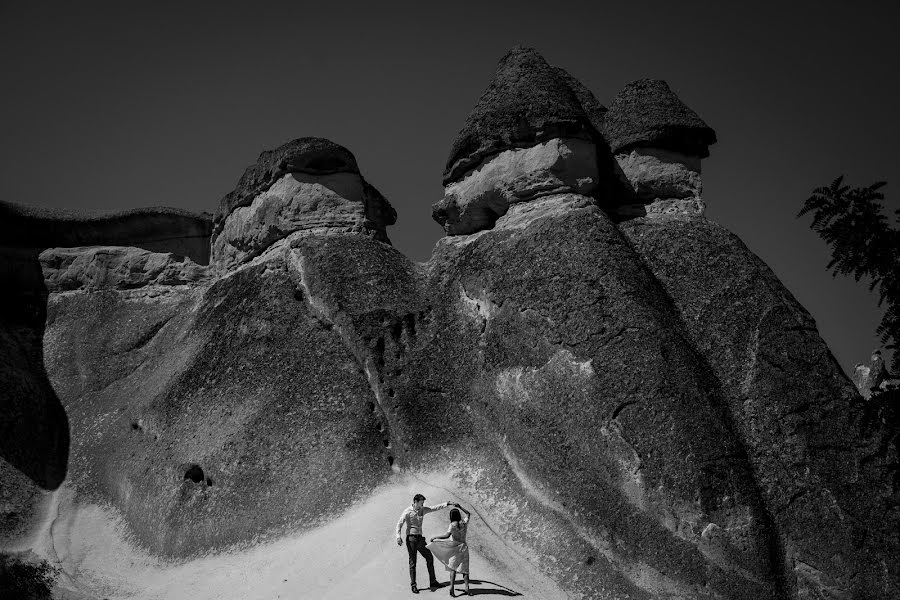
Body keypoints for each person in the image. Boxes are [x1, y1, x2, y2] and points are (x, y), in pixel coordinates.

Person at [396, 493, 451, 594]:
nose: (423, 504)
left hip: (420, 540)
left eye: (423, 503)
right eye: (421, 502)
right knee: (413, 563)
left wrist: (447, 503)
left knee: (429, 557)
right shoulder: (407, 512)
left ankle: (433, 582)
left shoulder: (423, 509)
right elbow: (399, 523)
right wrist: (398, 537)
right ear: (415, 502)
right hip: (411, 540)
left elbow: (434, 508)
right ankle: (413, 585)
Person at [426, 503, 471, 596]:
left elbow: (447, 535)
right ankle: (467, 588)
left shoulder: (452, 525)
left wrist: (435, 537)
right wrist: (461, 507)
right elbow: (468, 514)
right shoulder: (464, 522)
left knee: (453, 568)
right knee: (465, 569)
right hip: (464, 547)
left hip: (455, 547)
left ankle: (452, 588)